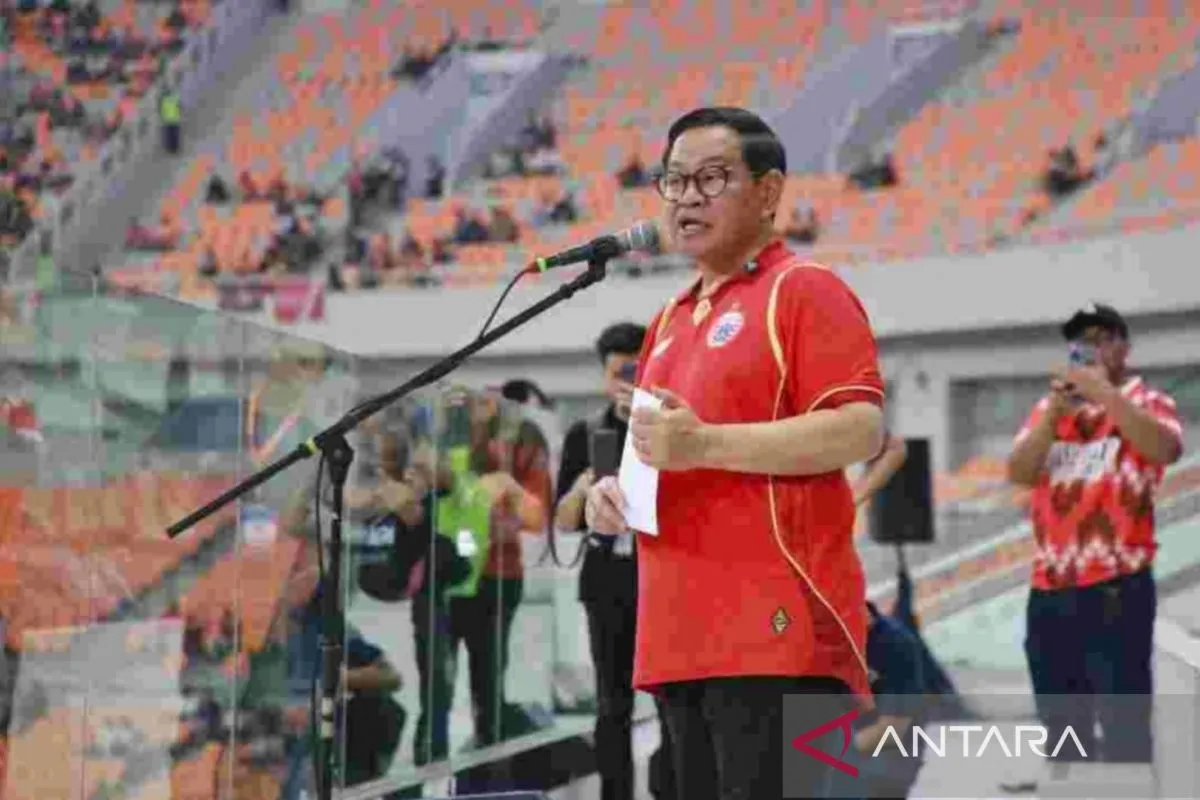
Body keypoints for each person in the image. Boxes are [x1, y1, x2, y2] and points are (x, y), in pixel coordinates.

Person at [585, 106, 886, 800]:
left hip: (779, 637)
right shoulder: (667, 319)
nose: (687, 196)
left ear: (768, 191)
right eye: (674, 180)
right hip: (676, 635)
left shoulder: (803, 289)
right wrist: (617, 500)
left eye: (712, 178)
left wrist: (705, 445)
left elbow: (858, 430)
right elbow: (665, 460)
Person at [1004, 303, 1183, 789]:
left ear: (1124, 346)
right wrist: (1055, 415)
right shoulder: (1050, 410)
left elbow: (1164, 449)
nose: (1091, 349)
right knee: (1062, 727)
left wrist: (1106, 394)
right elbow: (1019, 471)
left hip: (1116, 587)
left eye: (1102, 338)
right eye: (1081, 341)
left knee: (1123, 726)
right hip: (1051, 588)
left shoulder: (1148, 399)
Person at [554, 322, 674, 800]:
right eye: (619, 371)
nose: (627, 380)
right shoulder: (586, 433)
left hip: (665, 582)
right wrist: (586, 485)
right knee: (612, 704)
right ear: (604, 376)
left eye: (636, 369)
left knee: (672, 701)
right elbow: (563, 522)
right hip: (607, 583)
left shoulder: (670, 431)